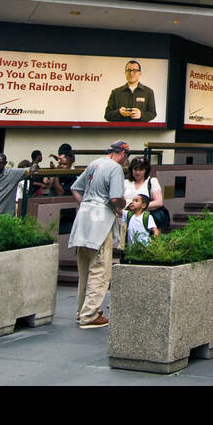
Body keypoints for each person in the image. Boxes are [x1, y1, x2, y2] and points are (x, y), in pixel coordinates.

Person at [69, 140, 129, 329]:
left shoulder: (94, 163)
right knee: (100, 269)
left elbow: (75, 188)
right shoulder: (115, 168)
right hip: (100, 220)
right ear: (123, 154)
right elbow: (114, 197)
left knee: (84, 270)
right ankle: (90, 314)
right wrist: (122, 206)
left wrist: (86, 204)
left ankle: (82, 311)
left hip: (84, 217)